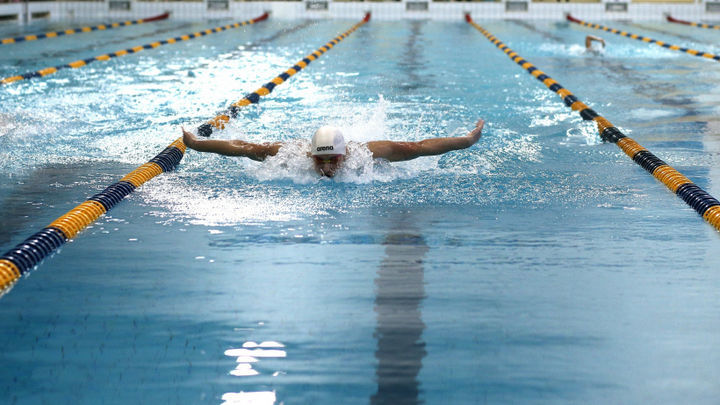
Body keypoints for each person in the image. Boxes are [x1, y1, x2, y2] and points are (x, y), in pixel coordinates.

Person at [181, 119, 484, 178]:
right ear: (310, 154)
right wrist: (196, 143)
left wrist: (467, 141)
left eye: (333, 159)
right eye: (320, 159)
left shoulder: (366, 152)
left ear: (345, 154)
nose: (326, 167)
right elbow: (243, 147)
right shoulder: (293, 153)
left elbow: (419, 147)